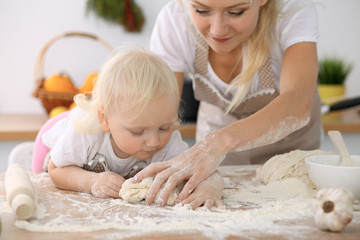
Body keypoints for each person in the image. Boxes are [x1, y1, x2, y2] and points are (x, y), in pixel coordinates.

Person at [133, 0, 322, 206]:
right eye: (202, 10)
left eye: (236, 12)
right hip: (216, 146)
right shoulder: (174, 20)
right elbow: (157, 115)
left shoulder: (291, 10)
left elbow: (298, 102)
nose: (218, 30)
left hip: (288, 144)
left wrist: (219, 142)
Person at [40, 47, 223, 209]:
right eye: (138, 132)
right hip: (58, 161)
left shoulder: (168, 143)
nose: (154, 141)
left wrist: (209, 189)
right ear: (105, 119)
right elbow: (56, 169)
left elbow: (201, 170)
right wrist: (91, 181)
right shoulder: (85, 132)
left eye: (164, 128)